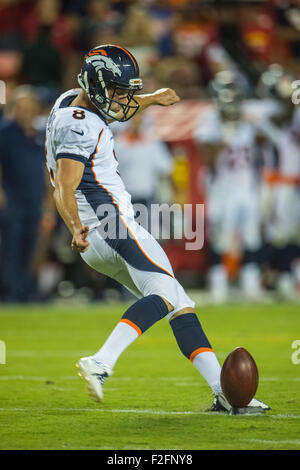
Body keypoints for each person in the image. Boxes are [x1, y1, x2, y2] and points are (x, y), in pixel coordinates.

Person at [45, 44, 269, 413]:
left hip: (98, 238)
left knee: (179, 302)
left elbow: (104, 113)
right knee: (166, 291)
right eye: (117, 90)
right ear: (98, 85)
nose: (124, 100)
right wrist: (74, 225)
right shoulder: (80, 125)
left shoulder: (70, 101)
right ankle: (102, 361)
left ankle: (224, 394)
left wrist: (149, 98)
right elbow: (65, 186)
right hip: (110, 223)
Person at [195, 71, 264, 303]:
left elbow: (271, 139)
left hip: (247, 187)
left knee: (252, 237)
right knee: (220, 238)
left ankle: (251, 285)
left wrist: (250, 122)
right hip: (222, 189)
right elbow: (208, 159)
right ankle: (218, 284)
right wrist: (224, 133)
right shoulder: (210, 121)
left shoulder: (249, 121)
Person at [0, 86, 46, 302]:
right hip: (11, 198)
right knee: (11, 245)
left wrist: (49, 202)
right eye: (22, 107)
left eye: (30, 107)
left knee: (32, 245)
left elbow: (49, 170)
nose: (26, 112)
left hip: (34, 198)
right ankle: (9, 291)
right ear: (14, 109)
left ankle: (26, 290)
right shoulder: (5, 132)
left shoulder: (40, 135)